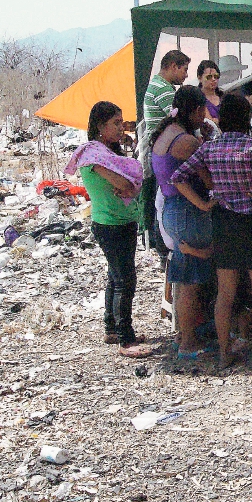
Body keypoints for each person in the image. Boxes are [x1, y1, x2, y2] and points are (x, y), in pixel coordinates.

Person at [171, 93, 252, 371]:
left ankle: (224, 354)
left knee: (225, 293)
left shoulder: (210, 147)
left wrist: (203, 203)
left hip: (223, 223)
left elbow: (178, 178)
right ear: (247, 117)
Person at [68, 102, 146, 353]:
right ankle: (126, 338)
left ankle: (111, 329)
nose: (120, 127)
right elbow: (123, 184)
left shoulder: (107, 153)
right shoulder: (93, 155)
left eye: (121, 122)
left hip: (121, 220)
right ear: (100, 126)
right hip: (110, 224)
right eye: (115, 123)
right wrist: (129, 184)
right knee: (125, 279)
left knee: (115, 277)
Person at [151, 86, 214, 359]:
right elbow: (209, 178)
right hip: (188, 210)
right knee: (190, 279)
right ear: (196, 110)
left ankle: (184, 335)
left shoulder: (168, 134)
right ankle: (189, 343)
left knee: (183, 274)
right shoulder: (187, 142)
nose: (205, 116)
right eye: (203, 111)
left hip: (173, 209)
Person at [141, 50, 191, 258]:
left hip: (159, 150)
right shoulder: (163, 90)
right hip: (163, 152)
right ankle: (164, 246)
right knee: (164, 198)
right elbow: (179, 115)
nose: (186, 75)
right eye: (184, 69)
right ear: (172, 66)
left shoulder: (160, 85)